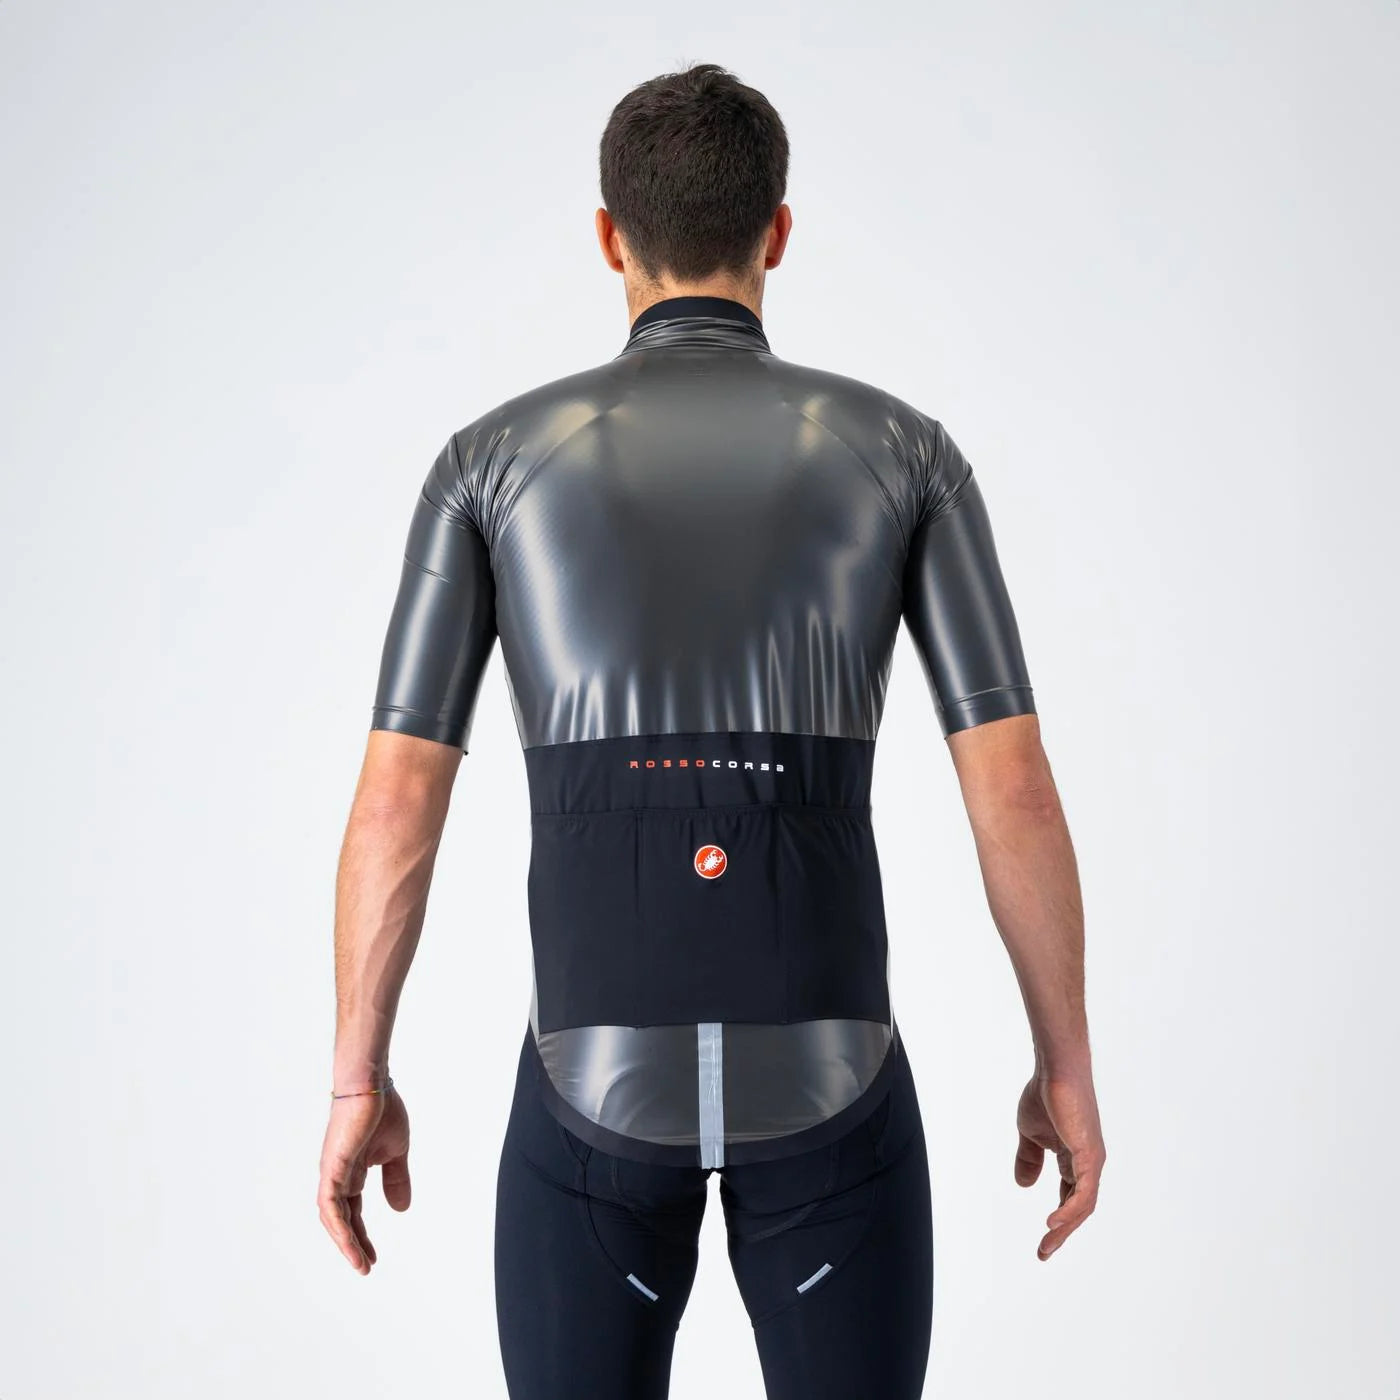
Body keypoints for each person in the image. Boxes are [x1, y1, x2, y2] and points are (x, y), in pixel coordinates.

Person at [317, 61, 1105, 1400]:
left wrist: (358, 1081)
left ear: (609, 237)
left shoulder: (487, 465)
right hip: (832, 1067)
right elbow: (1012, 788)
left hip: (589, 1073)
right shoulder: (904, 453)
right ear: (777, 233)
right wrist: (1064, 1064)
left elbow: (399, 800)